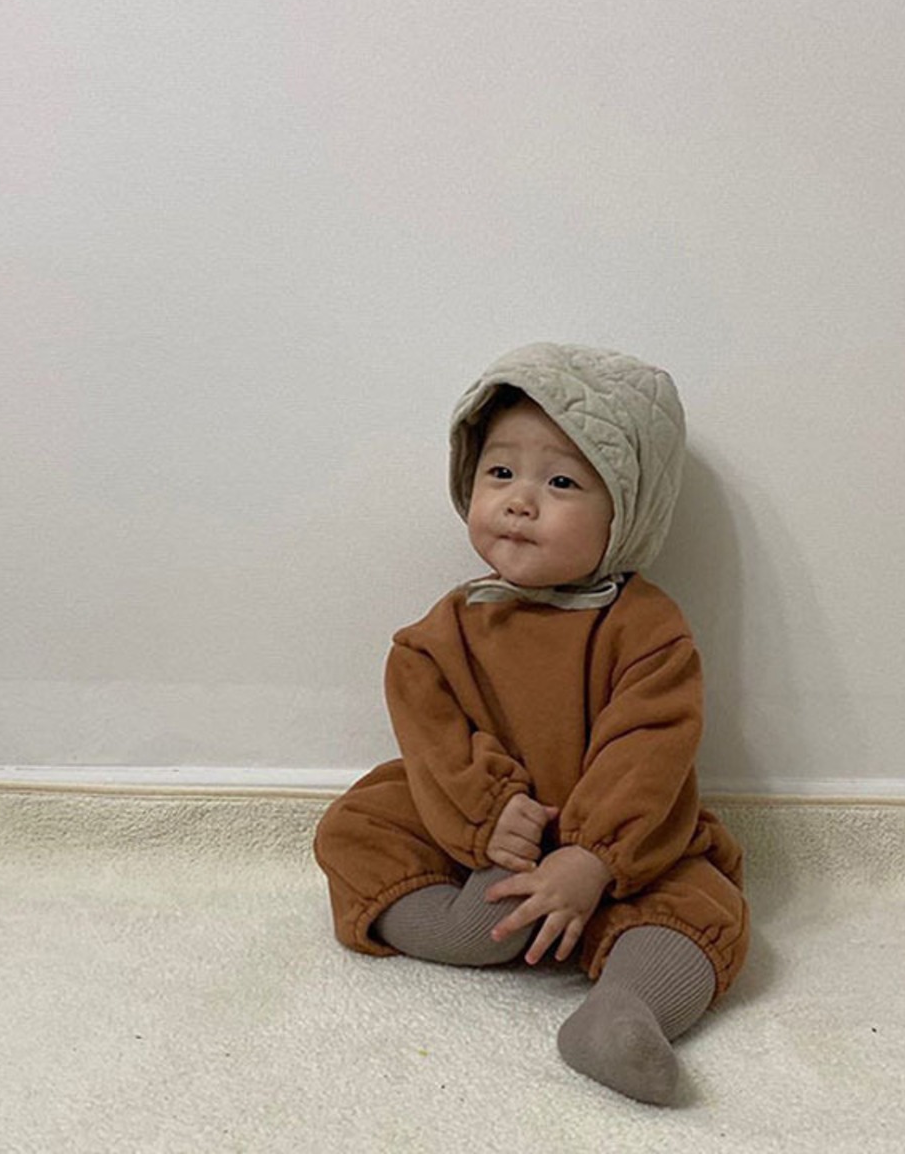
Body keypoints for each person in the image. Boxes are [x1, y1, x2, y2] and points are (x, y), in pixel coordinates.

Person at [313, 342, 749, 1105]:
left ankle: (623, 1013)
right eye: (500, 473)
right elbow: (431, 730)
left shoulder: (647, 629)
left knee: (702, 904)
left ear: (627, 511)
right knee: (358, 827)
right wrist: (486, 815)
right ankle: (467, 927)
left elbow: (649, 752)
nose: (520, 500)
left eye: (561, 482)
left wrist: (593, 857)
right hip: (483, 847)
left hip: (617, 856)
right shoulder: (449, 627)